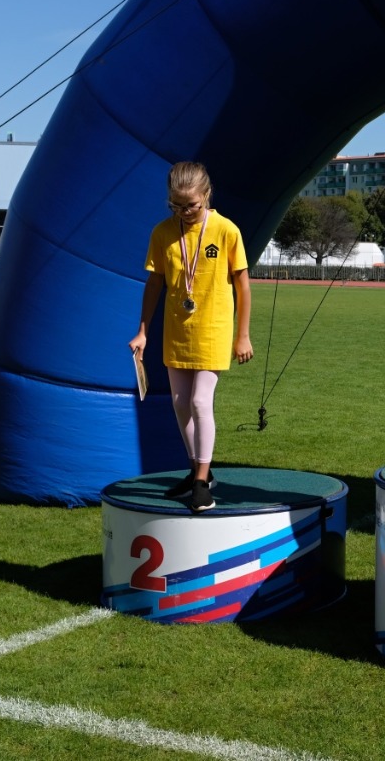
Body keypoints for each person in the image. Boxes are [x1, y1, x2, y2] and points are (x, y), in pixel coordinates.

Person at [130, 161, 252, 513]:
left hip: (213, 328)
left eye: (191, 205)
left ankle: (200, 482)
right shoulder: (162, 233)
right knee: (180, 403)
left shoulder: (226, 230)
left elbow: (243, 286)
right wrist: (142, 331)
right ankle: (199, 470)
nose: (184, 212)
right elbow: (155, 283)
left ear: (207, 195)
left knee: (200, 401)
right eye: (176, 205)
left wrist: (242, 335)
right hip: (177, 330)